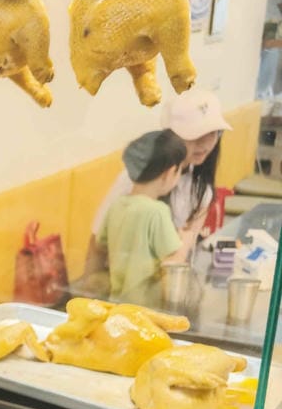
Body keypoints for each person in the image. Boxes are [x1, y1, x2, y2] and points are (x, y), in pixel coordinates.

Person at [84, 90, 231, 287]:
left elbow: (181, 252)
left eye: (213, 133)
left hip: (163, 291)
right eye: (195, 135)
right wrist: (87, 291)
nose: (205, 144)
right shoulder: (135, 179)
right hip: (126, 292)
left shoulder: (201, 188)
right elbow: (97, 244)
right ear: (172, 137)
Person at [100, 130, 192, 302]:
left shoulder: (117, 205)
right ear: (170, 172)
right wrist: (186, 242)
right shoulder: (157, 211)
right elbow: (172, 262)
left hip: (116, 301)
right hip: (146, 307)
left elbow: (102, 243)